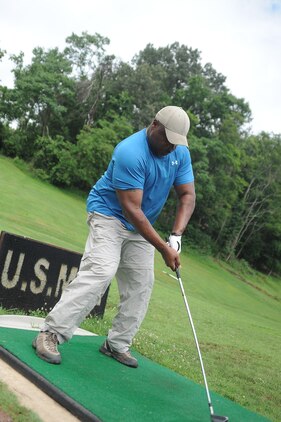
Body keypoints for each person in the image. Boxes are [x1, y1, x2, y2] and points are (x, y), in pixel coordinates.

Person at [32, 105, 196, 368]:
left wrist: (176, 236)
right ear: (154, 125)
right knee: (102, 270)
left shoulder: (179, 153)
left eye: (176, 143)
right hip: (110, 215)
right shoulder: (131, 152)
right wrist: (164, 249)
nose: (170, 147)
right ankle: (50, 333)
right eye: (167, 139)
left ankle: (116, 344)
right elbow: (132, 210)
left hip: (141, 226)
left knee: (142, 283)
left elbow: (187, 195)